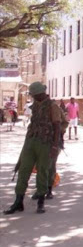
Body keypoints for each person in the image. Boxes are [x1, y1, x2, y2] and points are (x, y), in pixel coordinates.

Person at [4, 82, 61, 215]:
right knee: (23, 169)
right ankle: (18, 201)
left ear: (41, 93)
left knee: (42, 171)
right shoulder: (35, 105)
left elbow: (57, 126)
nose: (34, 97)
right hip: (31, 141)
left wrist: (54, 145)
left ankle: (41, 201)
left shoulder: (53, 106)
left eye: (35, 95)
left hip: (45, 143)